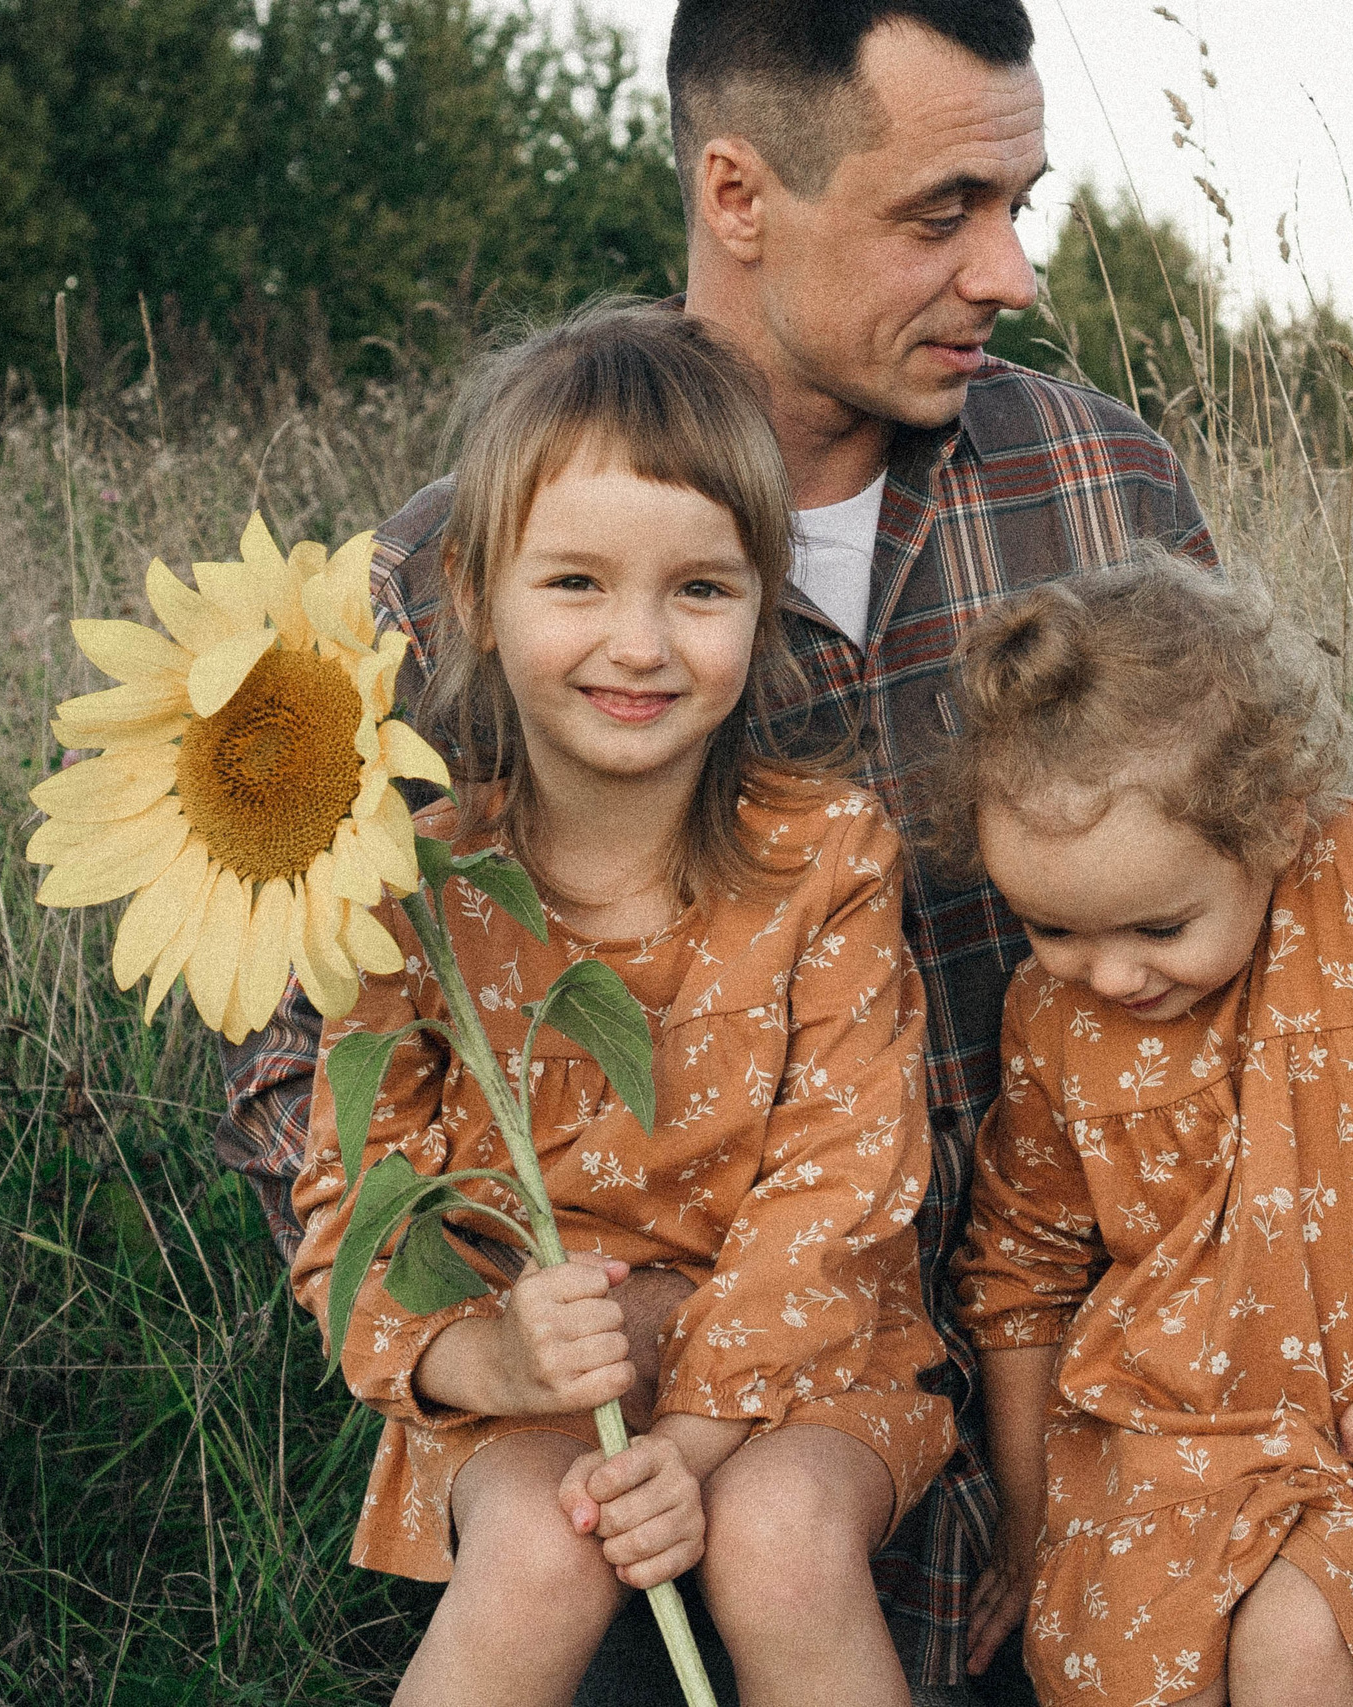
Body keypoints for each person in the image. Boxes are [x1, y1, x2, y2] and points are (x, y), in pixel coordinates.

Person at [220, 1, 1213, 1690]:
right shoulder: (420, 596)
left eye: (1020, 205)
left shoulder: (1098, 492)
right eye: (943, 212)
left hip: (1050, 1413)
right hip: (596, 1474)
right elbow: (303, 1092)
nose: (1013, 276)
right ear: (739, 195)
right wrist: (499, 1342)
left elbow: (1272, 905)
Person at [289, 304, 956, 1707]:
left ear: (763, 602)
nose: (638, 643)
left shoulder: (826, 853)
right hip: (533, 1378)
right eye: (578, 582)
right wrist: (493, 1348)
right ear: (473, 592)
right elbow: (364, 1210)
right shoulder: (404, 886)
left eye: (700, 590)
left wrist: (701, 1433)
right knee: (541, 1543)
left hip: (800, 1367)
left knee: (777, 1542)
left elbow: (841, 1186)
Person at [942, 555, 1353, 1707]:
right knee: (1127, 1667)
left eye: (1158, 924)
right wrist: (1027, 1530)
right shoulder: (1049, 1014)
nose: (1110, 973)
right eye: (1051, 928)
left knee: (1302, 1646)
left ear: (1272, 826)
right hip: (1159, 1450)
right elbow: (1021, 1272)